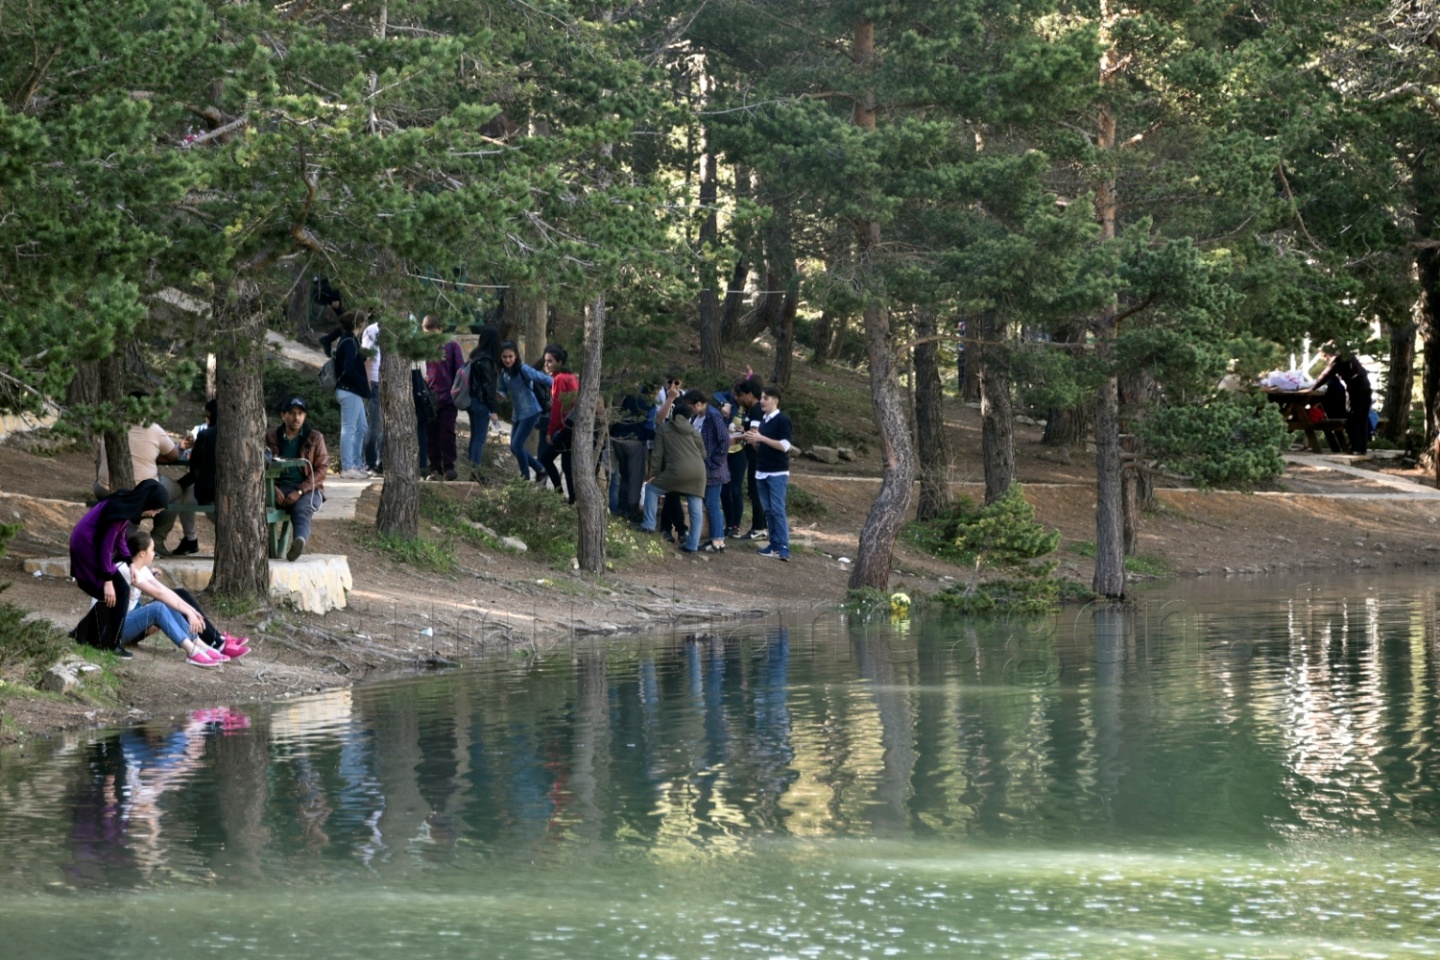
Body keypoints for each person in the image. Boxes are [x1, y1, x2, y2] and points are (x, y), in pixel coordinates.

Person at [68, 479, 170, 653]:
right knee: (119, 591)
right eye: (156, 509)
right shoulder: (119, 510)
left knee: (116, 593)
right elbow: (106, 545)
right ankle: (110, 643)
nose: (154, 514)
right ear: (150, 502)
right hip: (87, 546)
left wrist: (130, 563)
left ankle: (82, 634)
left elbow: (120, 538)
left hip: (91, 544)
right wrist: (107, 579)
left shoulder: (125, 506)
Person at [113, 530, 239, 667]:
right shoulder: (125, 570)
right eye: (152, 550)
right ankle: (192, 652)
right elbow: (159, 595)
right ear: (142, 553)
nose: (154, 553)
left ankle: (202, 646)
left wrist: (191, 611)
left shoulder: (140, 569)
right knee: (158, 606)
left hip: (126, 625)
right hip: (112, 632)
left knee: (167, 603)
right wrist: (188, 612)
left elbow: (165, 591)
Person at [96, 398, 200, 556]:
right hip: (139, 489)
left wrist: (151, 457)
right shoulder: (153, 428)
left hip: (104, 487)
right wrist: (174, 450)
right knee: (177, 491)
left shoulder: (111, 426)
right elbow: (172, 456)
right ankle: (156, 541)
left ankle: (120, 539)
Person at [631, 398, 706, 553]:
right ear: (688, 417)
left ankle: (649, 525)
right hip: (699, 472)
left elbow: (657, 456)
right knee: (695, 507)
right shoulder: (694, 432)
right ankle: (692, 545)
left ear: (673, 414)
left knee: (652, 489)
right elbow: (703, 454)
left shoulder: (664, 429)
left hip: (676, 470)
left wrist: (655, 475)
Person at [266, 396, 328, 561]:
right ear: (283, 415)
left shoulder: (315, 437)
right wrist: (272, 489)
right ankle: (261, 547)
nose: (296, 417)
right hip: (277, 487)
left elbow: (322, 469)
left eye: (300, 413)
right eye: (292, 413)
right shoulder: (271, 437)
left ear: (305, 416)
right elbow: (261, 466)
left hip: (308, 488)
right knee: (256, 504)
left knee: (302, 509)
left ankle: (299, 541)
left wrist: (300, 490)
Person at [742, 385, 793, 562]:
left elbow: (785, 446)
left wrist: (761, 438)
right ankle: (774, 543)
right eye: (762, 398)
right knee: (769, 510)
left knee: (778, 509)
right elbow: (761, 448)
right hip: (761, 471)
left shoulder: (782, 420)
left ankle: (784, 546)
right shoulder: (764, 421)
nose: (761, 401)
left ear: (775, 401)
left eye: (765, 398)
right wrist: (752, 440)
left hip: (777, 472)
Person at [496, 340, 551, 481]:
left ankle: (524, 478)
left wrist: (560, 385)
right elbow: (502, 389)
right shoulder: (503, 372)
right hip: (518, 413)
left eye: (510, 356)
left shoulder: (523, 369)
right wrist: (500, 396)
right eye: (504, 357)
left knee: (517, 444)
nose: (507, 360)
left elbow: (542, 378)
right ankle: (540, 469)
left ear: (516, 356)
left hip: (531, 411)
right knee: (514, 447)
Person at [684, 389, 731, 553]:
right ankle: (716, 538)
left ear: (698, 404)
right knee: (708, 504)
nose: (689, 409)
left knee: (712, 504)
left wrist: (713, 462)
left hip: (713, 469)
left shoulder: (713, 416)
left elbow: (725, 440)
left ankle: (717, 540)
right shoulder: (696, 417)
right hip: (699, 468)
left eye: (690, 405)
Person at [328, 310, 372, 479]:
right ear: (358, 324)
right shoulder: (348, 342)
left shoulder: (351, 341)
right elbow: (348, 368)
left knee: (361, 428)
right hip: (349, 391)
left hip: (353, 391)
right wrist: (361, 382)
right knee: (349, 429)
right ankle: (347, 467)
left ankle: (356, 463)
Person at [422, 315, 465, 480]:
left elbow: (460, 371)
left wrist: (456, 393)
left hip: (448, 397)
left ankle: (449, 467)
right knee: (431, 434)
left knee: (447, 432)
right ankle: (434, 469)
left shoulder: (452, 346)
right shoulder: (422, 348)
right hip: (429, 399)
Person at [1313, 341, 1374, 455]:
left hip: (1357, 389)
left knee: (1353, 418)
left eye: (1326, 356)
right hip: (1365, 386)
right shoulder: (1348, 355)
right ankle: (1363, 448)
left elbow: (1326, 375)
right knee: (1363, 418)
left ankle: (1356, 448)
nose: (1327, 359)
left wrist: (1312, 388)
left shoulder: (1337, 358)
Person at [540, 344, 580, 501]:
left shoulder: (560, 379)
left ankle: (563, 496)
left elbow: (557, 407)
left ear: (560, 362)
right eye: (545, 361)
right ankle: (570, 499)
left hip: (567, 428)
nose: (547, 365)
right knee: (566, 465)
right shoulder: (570, 376)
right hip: (571, 427)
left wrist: (550, 431)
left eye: (550, 361)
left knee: (548, 459)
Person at [731, 378, 768, 541]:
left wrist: (737, 438)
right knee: (754, 491)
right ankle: (760, 526)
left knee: (755, 492)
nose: (740, 399)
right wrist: (742, 430)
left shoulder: (756, 410)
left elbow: (754, 434)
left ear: (750, 394)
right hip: (751, 456)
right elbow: (749, 429)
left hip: (757, 457)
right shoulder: (751, 410)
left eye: (742, 395)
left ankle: (759, 527)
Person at [466, 327, 502, 481]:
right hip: (481, 403)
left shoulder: (475, 357)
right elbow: (488, 388)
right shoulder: (486, 361)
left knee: (475, 437)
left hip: (472, 401)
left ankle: (473, 470)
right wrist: (493, 409)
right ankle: (476, 472)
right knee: (479, 438)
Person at [361, 316, 383, 473]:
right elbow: (367, 359)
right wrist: (368, 383)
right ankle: (370, 462)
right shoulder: (372, 331)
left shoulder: (397, 329)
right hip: (375, 381)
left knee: (385, 426)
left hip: (389, 382)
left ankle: (381, 462)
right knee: (375, 424)